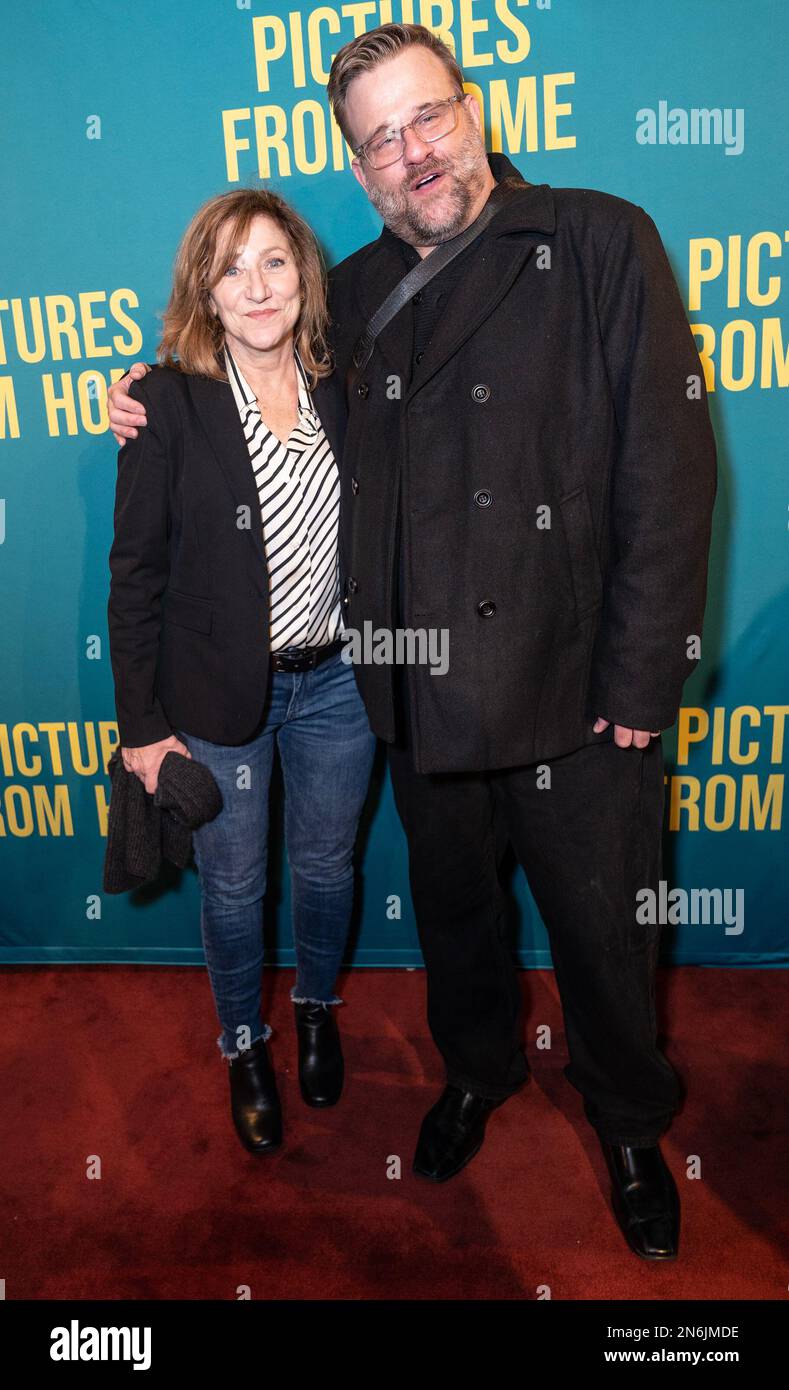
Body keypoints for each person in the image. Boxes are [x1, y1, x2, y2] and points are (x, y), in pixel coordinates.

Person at [109, 24, 718, 1260]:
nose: (410, 152)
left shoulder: (602, 239)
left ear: (473, 110)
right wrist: (155, 396)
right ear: (358, 162)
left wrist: (644, 675)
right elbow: (249, 375)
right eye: (377, 138)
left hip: (581, 693)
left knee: (605, 934)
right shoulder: (363, 294)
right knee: (456, 922)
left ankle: (631, 1126)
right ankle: (480, 1073)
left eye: (425, 117)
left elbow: (670, 467)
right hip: (421, 693)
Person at [107, 187, 376, 1157]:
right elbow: (134, 575)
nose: (256, 285)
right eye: (231, 267)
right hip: (219, 700)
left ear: (304, 273)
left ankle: (312, 1007)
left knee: (327, 868)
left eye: (274, 260)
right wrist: (142, 727)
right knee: (231, 891)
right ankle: (243, 1043)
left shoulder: (345, 380)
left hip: (339, 685)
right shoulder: (166, 402)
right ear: (205, 292)